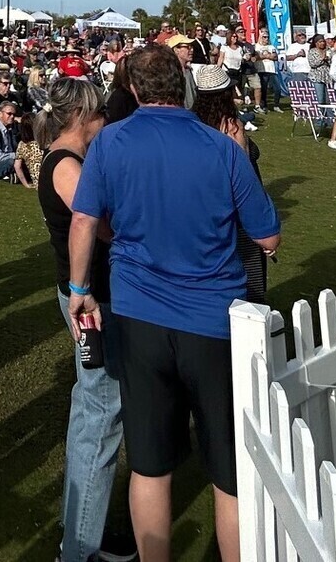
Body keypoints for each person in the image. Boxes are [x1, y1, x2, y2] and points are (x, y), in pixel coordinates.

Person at [67, 45, 281, 562]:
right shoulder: (222, 148)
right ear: (180, 84)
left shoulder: (112, 141)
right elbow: (268, 238)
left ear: (135, 90)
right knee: (227, 470)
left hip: (143, 317)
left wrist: (79, 290)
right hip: (210, 318)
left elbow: (84, 220)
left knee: (150, 463)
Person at [34, 77, 138, 562]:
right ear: (81, 117)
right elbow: (97, 222)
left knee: (94, 407)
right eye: (99, 115)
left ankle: (82, 530)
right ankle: (78, 547)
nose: (105, 124)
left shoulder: (68, 158)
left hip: (89, 294)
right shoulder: (66, 164)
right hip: (91, 298)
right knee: (99, 412)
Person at [190, 65, 269, 301]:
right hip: (236, 208)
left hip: (203, 207)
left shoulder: (192, 124)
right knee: (249, 272)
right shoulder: (232, 127)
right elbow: (244, 176)